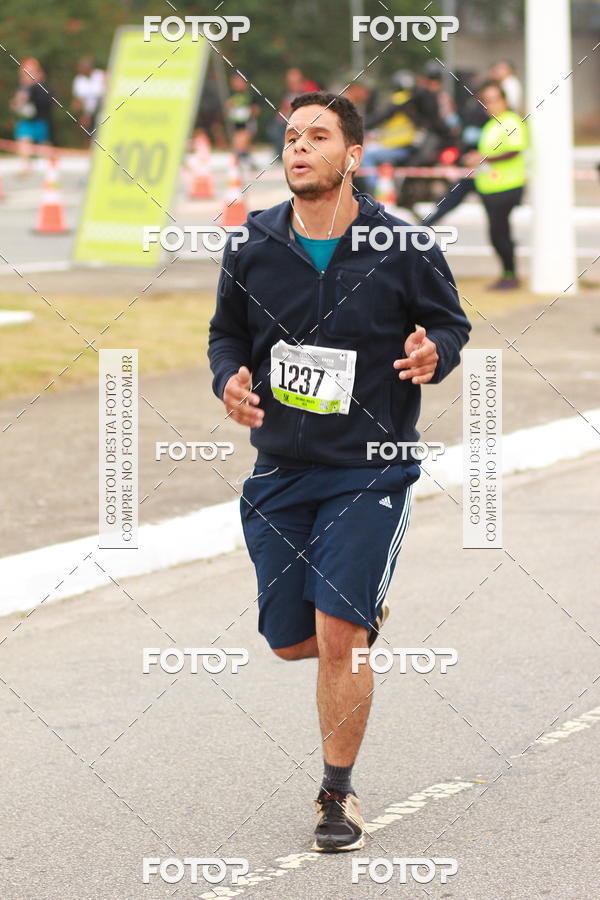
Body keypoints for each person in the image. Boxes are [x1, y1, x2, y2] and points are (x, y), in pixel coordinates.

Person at [208, 92, 471, 852]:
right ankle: (356, 617)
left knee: (337, 638)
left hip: (369, 469)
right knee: (293, 642)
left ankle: (336, 794)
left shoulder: (402, 245)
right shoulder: (253, 243)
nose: (299, 147)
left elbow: (451, 323)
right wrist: (229, 379)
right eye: (291, 137)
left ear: (353, 156)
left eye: (318, 136)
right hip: (281, 473)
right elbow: (226, 335)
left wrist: (435, 355)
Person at [464, 80, 528, 290]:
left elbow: (515, 150)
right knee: (497, 233)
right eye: (486, 101)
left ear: (505, 100)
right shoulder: (491, 124)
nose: (490, 105)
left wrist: (485, 159)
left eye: (494, 100)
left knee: (500, 234)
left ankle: (510, 275)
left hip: (507, 186)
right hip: (489, 186)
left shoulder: (512, 121)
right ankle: (508, 273)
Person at [11, 57, 53, 175]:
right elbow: (16, 103)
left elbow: (47, 101)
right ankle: (26, 166)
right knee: (24, 140)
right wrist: (17, 103)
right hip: (26, 121)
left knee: (44, 144)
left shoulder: (42, 86)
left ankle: (50, 166)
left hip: (41, 120)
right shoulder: (21, 86)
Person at [226, 73, 260, 170]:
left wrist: (249, 111)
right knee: (239, 141)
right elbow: (227, 107)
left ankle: (242, 159)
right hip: (236, 122)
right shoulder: (230, 94)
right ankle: (244, 159)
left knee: (243, 138)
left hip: (248, 122)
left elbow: (256, 109)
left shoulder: (249, 94)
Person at [71, 56, 106, 138]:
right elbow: (77, 101)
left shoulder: (100, 75)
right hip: (88, 115)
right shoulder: (79, 80)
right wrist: (82, 115)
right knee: (89, 136)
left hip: (102, 111)